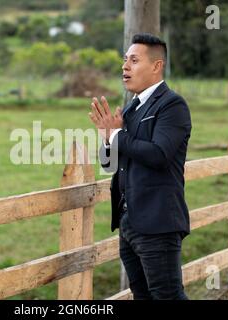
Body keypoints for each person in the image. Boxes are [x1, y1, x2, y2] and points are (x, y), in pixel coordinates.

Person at [88, 33, 192, 300]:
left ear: (156, 66)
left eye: (134, 60)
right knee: (142, 296)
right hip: (128, 223)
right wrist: (107, 139)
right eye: (125, 60)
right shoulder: (131, 108)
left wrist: (117, 136)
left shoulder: (172, 105)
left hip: (158, 223)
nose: (125, 67)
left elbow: (159, 154)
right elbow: (109, 165)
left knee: (167, 296)